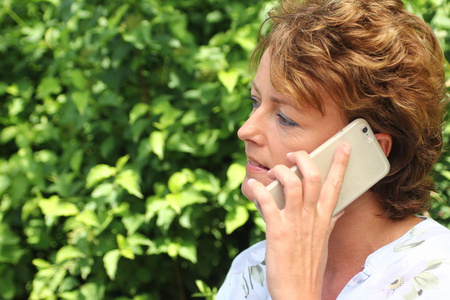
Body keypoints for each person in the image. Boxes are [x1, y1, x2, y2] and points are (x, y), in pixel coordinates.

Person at [216, 0, 450, 299]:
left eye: (286, 118)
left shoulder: (438, 277)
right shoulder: (252, 268)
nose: (246, 130)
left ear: (371, 150)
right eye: (255, 102)